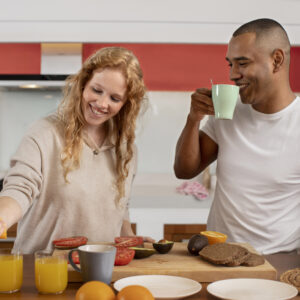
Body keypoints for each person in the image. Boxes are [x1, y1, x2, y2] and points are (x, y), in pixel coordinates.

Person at [0, 46, 154, 254]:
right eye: (96, 90)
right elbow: (20, 188)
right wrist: (1, 219)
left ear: (126, 104)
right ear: (83, 84)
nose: (101, 103)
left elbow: (120, 208)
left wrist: (128, 238)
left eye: (114, 98)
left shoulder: (126, 150)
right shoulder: (45, 133)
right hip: (41, 269)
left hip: (99, 270)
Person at [174, 18, 300, 255]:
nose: (232, 74)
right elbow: (184, 170)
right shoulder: (228, 111)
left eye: (242, 63)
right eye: (230, 64)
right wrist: (193, 119)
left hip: (278, 261)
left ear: (277, 60)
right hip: (218, 255)